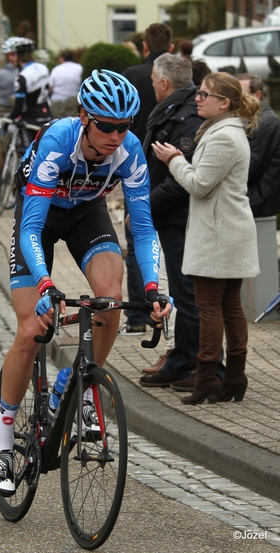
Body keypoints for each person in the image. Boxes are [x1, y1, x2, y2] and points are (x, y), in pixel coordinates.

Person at [0, 69, 172, 495]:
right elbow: (30, 229)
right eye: (106, 126)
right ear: (85, 117)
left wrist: (154, 288)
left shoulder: (130, 154)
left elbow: (142, 230)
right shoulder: (58, 141)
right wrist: (47, 284)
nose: (116, 136)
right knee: (33, 328)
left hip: (87, 213)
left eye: (124, 127)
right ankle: (2, 437)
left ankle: (82, 388)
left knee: (111, 297)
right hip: (40, 218)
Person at [152, 72, 260, 405]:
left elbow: (199, 184)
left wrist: (174, 160)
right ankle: (233, 378)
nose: (198, 98)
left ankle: (209, 378)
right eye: (199, 93)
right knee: (229, 308)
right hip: (227, 231)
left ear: (224, 103)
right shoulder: (224, 131)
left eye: (204, 94)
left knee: (210, 308)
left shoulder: (223, 136)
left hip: (219, 234)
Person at [137, 53, 203, 389]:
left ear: (164, 83)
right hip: (172, 215)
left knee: (186, 292)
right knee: (183, 290)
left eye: (152, 80)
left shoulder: (187, 115)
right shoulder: (179, 107)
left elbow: (179, 179)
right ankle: (184, 357)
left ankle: (190, 362)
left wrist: (144, 206)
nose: (151, 84)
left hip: (179, 217)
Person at [121, 22, 173, 336]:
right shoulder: (177, 77)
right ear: (169, 48)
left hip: (134, 166)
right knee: (171, 243)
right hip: (170, 167)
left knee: (136, 237)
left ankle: (138, 317)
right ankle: (163, 311)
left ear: (144, 46)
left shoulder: (132, 74)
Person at [236, 73, 280, 218]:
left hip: (256, 203)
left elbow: (250, 167)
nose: (237, 99)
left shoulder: (265, 122)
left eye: (242, 93)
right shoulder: (250, 118)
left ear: (258, 94)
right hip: (253, 201)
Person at [7, 37, 52, 152]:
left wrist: (7, 121)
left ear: (17, 55)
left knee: (29, 154)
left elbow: (19, 107)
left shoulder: (21, 77)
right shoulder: (44, 68)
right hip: (47, 115)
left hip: (30, 120)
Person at [0, 37, 19, 108]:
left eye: (13, 54)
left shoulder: (0, 73)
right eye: (10, 55)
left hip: (2, 105)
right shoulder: (26, 71)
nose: (11, 57)